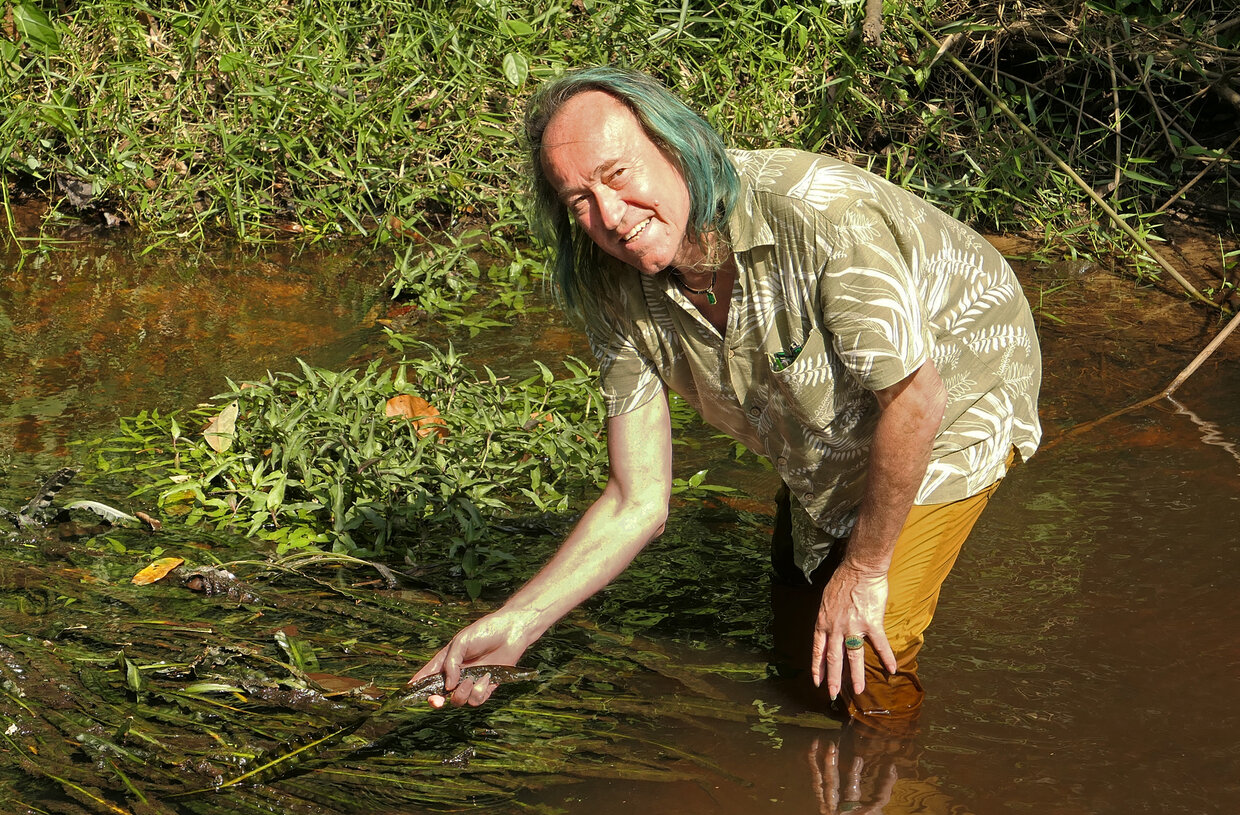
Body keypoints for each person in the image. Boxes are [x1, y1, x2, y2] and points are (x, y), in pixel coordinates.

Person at [410, 67, 1041, 723]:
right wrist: (518, 623)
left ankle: (887, 779)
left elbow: (915, 402)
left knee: (866, 656)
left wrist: (863, 571)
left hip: (958, 384)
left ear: (676, 147)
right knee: (801, 649)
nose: (611, 216)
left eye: (618, 175)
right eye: (579, 201)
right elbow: (635, 499)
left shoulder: (818, 213)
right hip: (836, 410)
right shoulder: (609, 282)